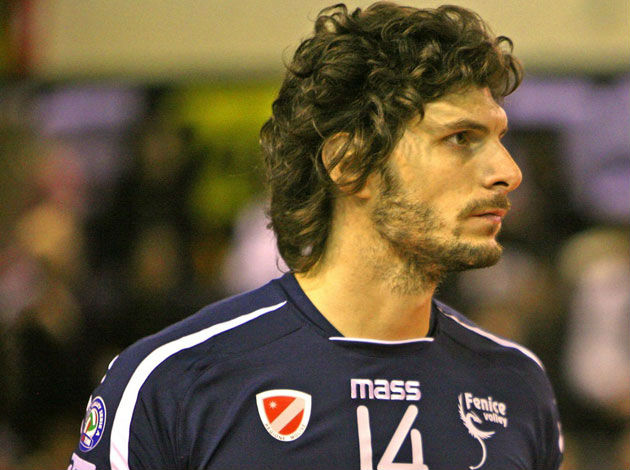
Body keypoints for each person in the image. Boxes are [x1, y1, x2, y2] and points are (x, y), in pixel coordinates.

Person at [68, 3, 563, 469]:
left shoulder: (517, 385)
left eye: (499, 138)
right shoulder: (174, 381)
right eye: (460, 138)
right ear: (350, 163)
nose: (508, 172)